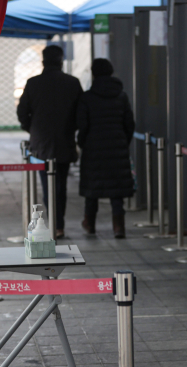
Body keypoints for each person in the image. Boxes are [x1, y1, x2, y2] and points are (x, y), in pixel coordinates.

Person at [17, 45, 83, 239]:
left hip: (41, 145)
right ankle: (59, 224)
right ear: (61, 60)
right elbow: (81, 114)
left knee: (47, 185)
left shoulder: (33, 83)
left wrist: (33, 130)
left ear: (43, 61)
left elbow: (22, 113)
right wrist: (71, 129)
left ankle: (54, 224)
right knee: (61, 185)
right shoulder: (72, 83)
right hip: (65, 141)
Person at [76, 58, 135, 238]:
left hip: (93, 148)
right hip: (117, 146)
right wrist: (122, 142)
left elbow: (82, 125)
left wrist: (82, 143)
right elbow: (129, 124)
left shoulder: (87, 97)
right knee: (116, 189)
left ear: (94, 74)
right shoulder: (121, 95)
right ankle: (118, 227)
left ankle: (90, 224)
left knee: (92, 189)